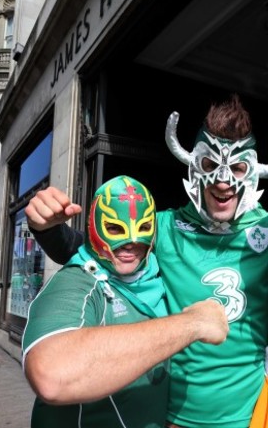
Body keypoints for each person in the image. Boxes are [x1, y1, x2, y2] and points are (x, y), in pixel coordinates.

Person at [25, 96, 268, 427]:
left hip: (254, 417)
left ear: (253, 170)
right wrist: (47, 229)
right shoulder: (165, 228)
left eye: (238, 168)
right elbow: (102, 251)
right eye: (210, 166)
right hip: (172, 418)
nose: (223, 180)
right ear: (194, 165)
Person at [22, 175, 229, 427]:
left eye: (142, 228)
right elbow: (52, 375)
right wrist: (192, 324)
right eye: (115, 229)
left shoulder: (156, 270)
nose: (130, 242)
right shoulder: (78, 282)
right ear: (94, 225)